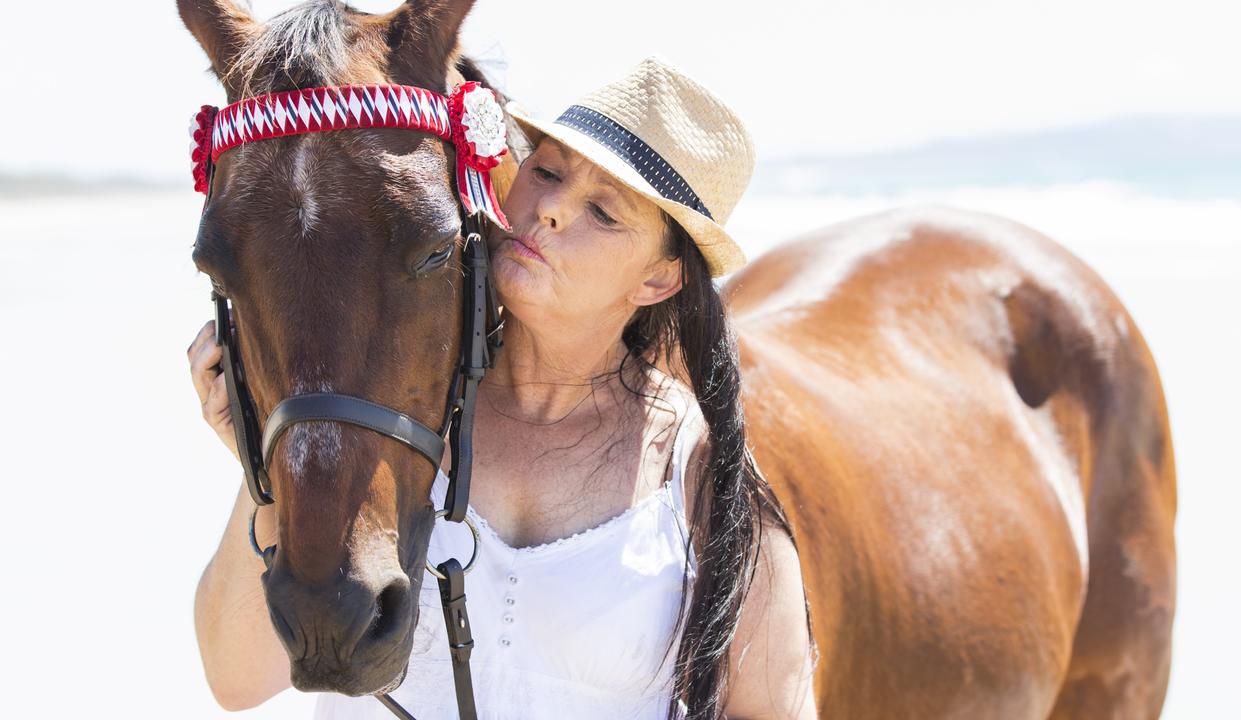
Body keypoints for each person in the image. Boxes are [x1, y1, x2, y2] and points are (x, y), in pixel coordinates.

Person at [188, 56, 817, 719]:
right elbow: (237, 678)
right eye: (546, 172)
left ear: (658, 281)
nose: (548, 210)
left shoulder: (699, 484)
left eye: (602, 212)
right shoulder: (389, 404)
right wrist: (261, 472)